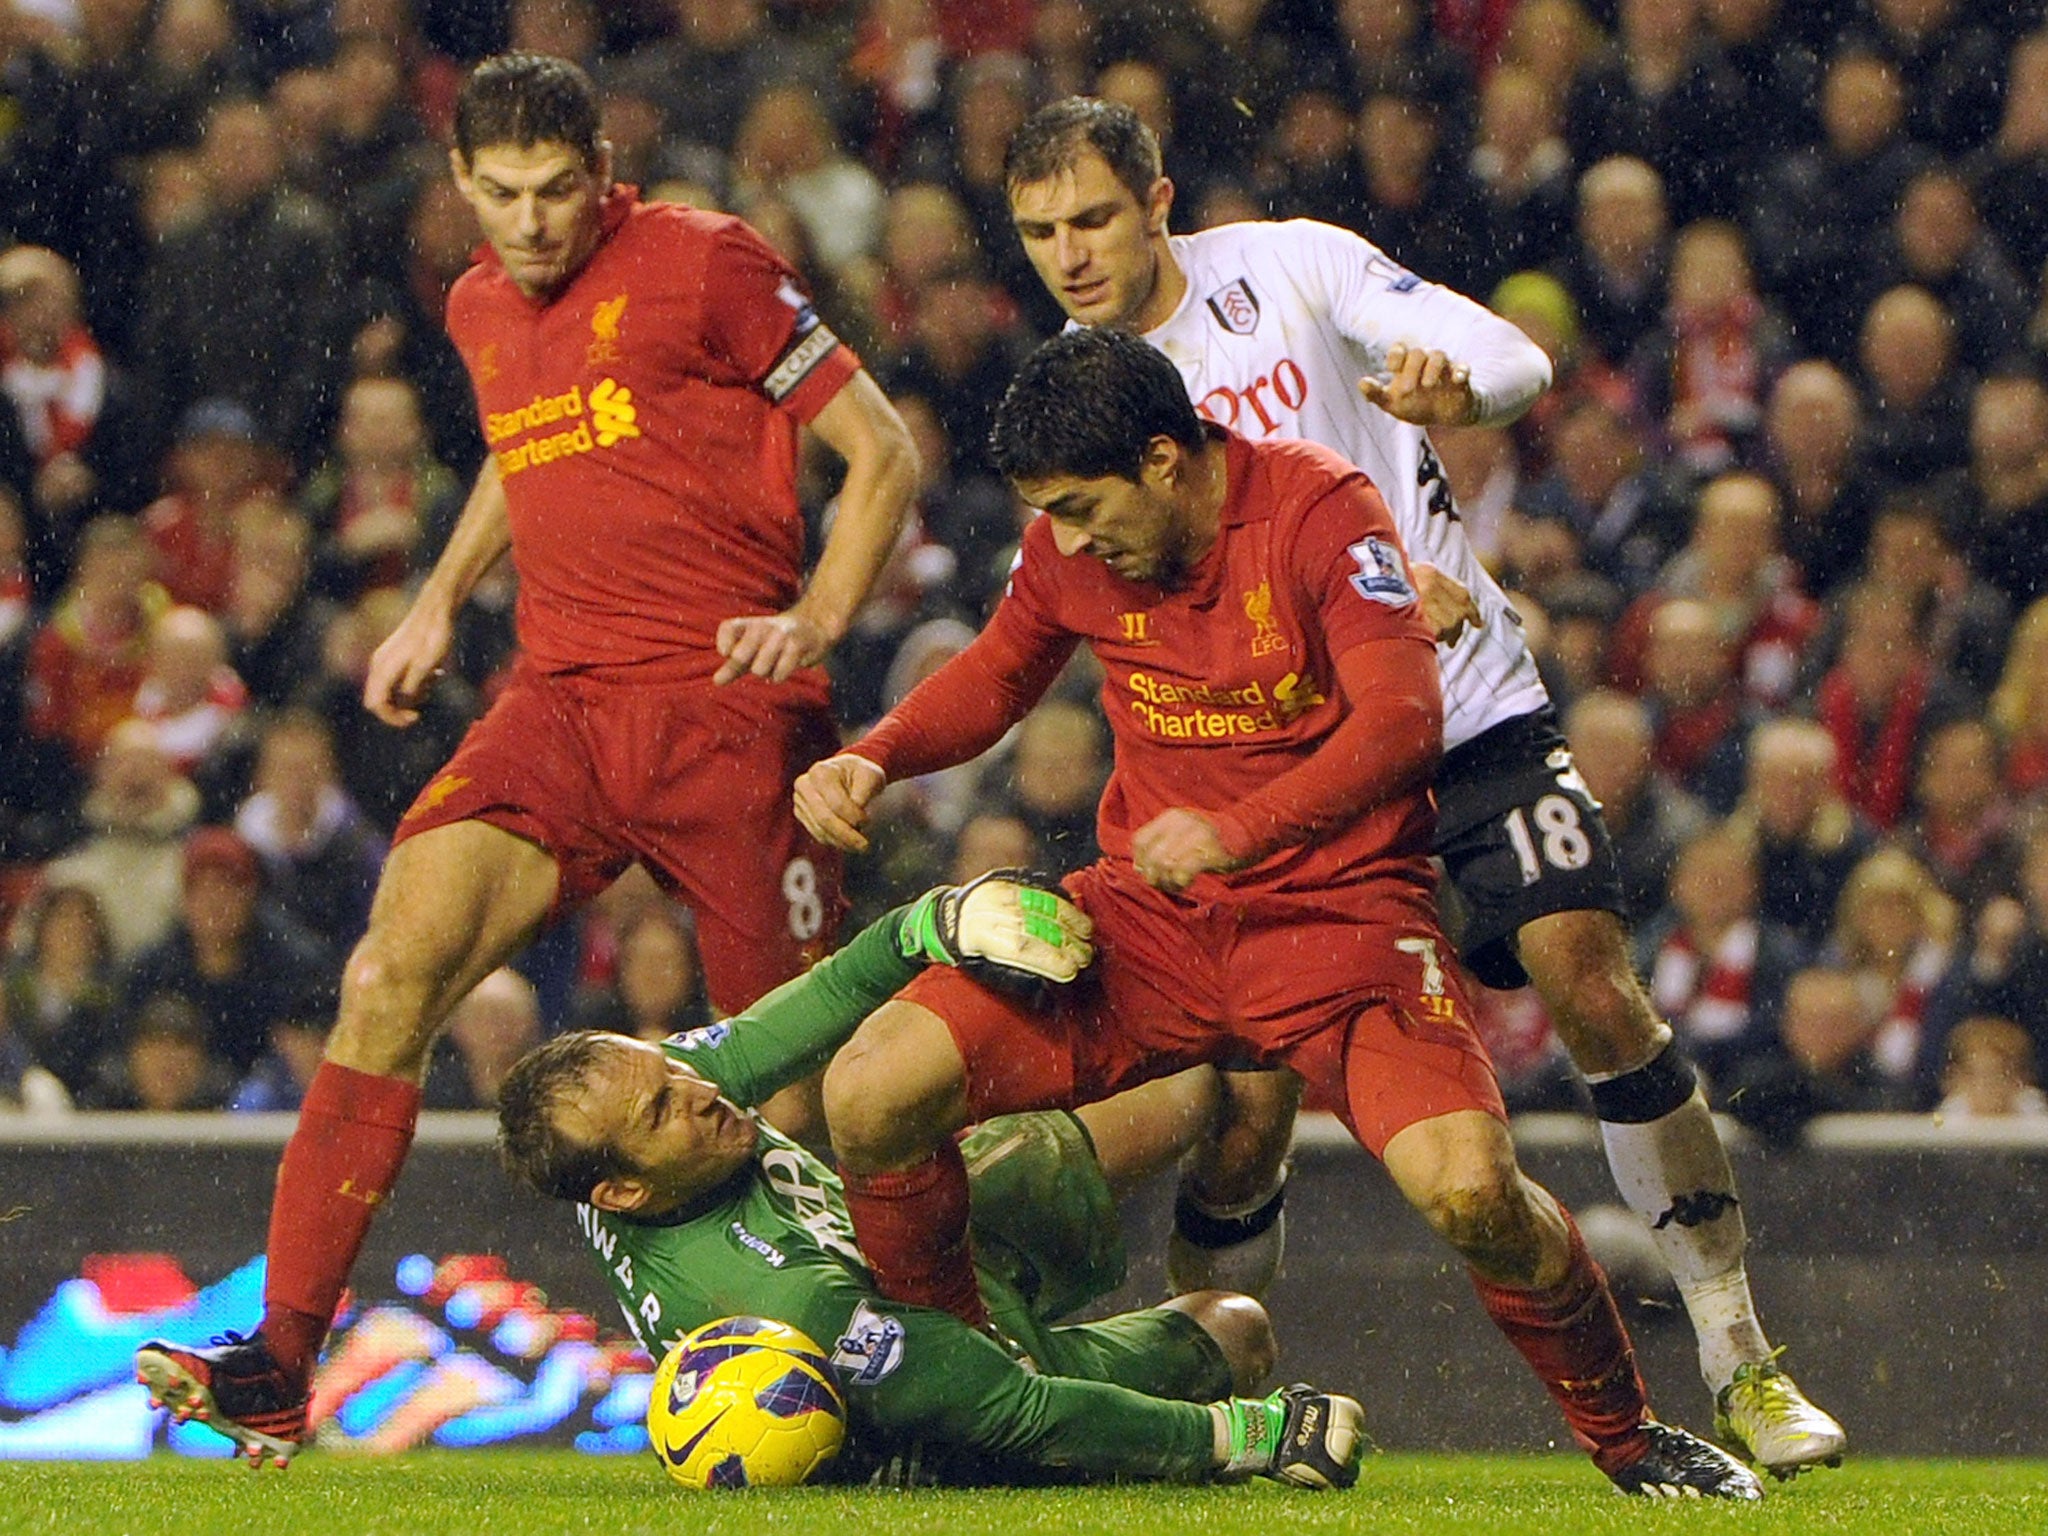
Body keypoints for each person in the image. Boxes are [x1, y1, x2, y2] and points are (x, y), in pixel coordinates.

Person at [993, 96, 1841, 1474]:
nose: (1071, 253)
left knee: (1589, 976)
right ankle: (1223, 1406)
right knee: (1244, 1106)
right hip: (1277, 758)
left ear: (1159, 202)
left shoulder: (1293, 266)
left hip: (1456, 705)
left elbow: (1506, 355)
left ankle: (1742, 1356)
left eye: (1093, 217)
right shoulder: (1081, 402)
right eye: (1039, 233)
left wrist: (1465, 397)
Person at [795, 329, 1760, 1500]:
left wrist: (1238, 829)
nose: (1067, 538)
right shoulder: (1074, 546)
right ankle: (966, 1394)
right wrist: (874, 756)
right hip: (1149, 924)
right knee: (868, 1090)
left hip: (1337, 921)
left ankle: (1628, 1437)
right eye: (1046, 512)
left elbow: (1402, 722)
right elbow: (1000, 672)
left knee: (1471, 1195)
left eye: (1082, 506)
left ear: (1164, 459)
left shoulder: (1317, 510)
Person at [134, 51, 919, 1463]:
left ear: (603, 176)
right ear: (460, 186)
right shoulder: (479, 303)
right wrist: (438, 598)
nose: (533, 224)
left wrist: (816, 621)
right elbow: (526, 445)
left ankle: (885, 1387)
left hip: (725, 715)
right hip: (557, 705)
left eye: (559, 193)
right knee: (386, 974)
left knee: (794, 1103)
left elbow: (882, 454)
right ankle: (279, 1363)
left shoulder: (704, 260)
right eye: (502, 196)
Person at [478, 876, 1364, 1490]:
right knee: (1239, 1334)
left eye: (675, 1074)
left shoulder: (636, 1131)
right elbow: (1014, 1408)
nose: (705, 1094)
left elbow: (825, 996)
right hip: (941, 1347)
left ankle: (1233, 1202)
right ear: (623, 1197)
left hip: (916, 1232)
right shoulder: (781, 1301)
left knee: (1190, 1076)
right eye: (663, 1112)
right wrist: (1247, 1436)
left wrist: (941, 920)